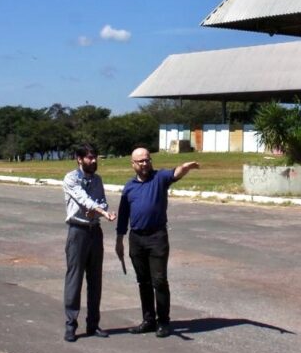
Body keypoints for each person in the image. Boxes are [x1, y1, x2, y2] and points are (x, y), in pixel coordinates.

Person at [115, 148, 199, 338]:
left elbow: (175, 173)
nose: (145, 163)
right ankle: (148, 320)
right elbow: (123, 215)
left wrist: (186, 168)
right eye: (141, 161)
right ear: (133, 164)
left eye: (147, 160)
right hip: (136, 239)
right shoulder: (129, 187)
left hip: (157, 238)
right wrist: (119, 240)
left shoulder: (159, 178)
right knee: (143, 281)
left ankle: (163, 322)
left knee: (159, 281)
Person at [61, 143, 116, 342]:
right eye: (89, 157)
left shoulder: (97, 179)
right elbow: (82, 198)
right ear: (79, 159)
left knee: (95, 280)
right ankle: (71, 325)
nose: (93, 161)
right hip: (78, 232)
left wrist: (100, 211)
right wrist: (100, 211)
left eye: (95, 157)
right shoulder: (71, 178)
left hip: (95, 232)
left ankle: (93, 323)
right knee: (74, 279)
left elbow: (102, 201)